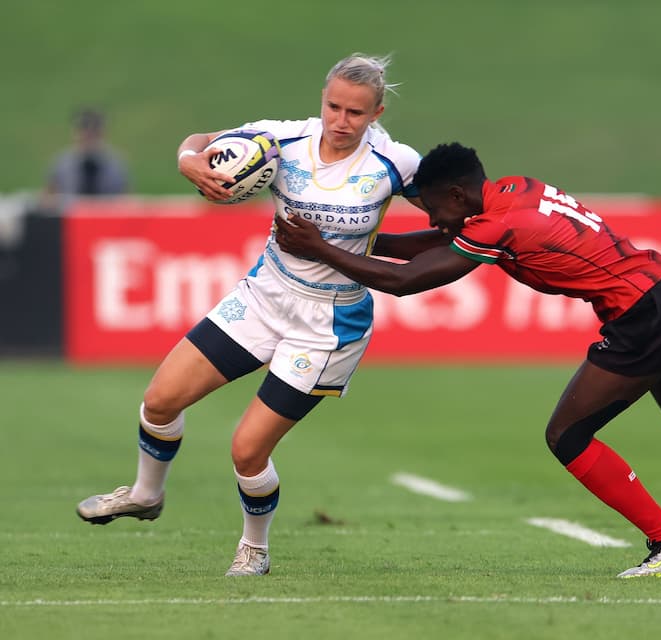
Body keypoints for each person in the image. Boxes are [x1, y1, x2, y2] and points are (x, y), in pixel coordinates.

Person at [272, 141, 661, 578]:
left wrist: (322, 249)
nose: (430, 214)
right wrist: (346, 235)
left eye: (432, 203)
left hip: (644, 314)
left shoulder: (496, 227)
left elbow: (408, 280)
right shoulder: (513, 190)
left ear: (462, 194)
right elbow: (437, 241)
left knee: (567, 434)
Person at [76, 53, 447, 576]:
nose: (342, 121)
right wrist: (189, 162)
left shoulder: (396, 163)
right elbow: (200, 141)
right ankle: (145, 494)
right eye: (334, 106)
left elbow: (455, 208)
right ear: (322, 101)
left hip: (328, 325)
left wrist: (410, 247)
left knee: (247, 451)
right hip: (263, 296)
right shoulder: (281, 140)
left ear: (377, 113)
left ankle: (255, 547)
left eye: (356, 113)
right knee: (160, 400)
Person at [46, 108, 130, 198]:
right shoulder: (62, 163)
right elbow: (50, 196)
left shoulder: (116, 165)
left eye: (94, 132)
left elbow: (124, 200)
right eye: (84, 131)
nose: (89, 136)